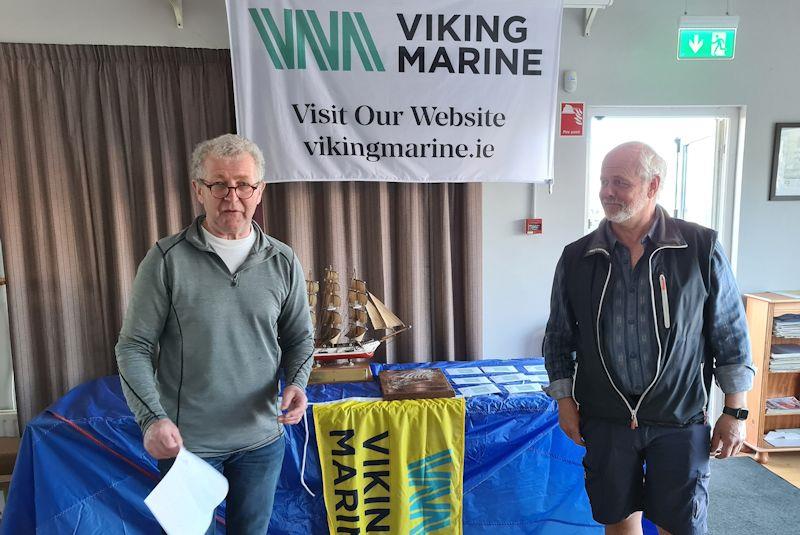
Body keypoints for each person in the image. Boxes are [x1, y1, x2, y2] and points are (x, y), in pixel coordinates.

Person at [543, 141, 754, 535]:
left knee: (681, 524)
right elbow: (557, 337)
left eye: (620, 182)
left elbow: (730, 334)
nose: (607, 191)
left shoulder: (699, 248)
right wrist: (564, 400)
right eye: (604, 181)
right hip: (605, 418)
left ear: (653, 185)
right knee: (618, 519)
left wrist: (735, 411)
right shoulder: (577, 257)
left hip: (680, 416)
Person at [116, 134, 314, 534]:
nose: (232, 196)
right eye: (218, 184)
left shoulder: (282, 259)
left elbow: (299, 339)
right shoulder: (165, 260)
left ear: (259, 191)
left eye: (243, 184)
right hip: (187, 445)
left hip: (262, 440)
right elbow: (133, 347)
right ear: (198, 190)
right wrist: (152, 420)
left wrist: (297, 382)